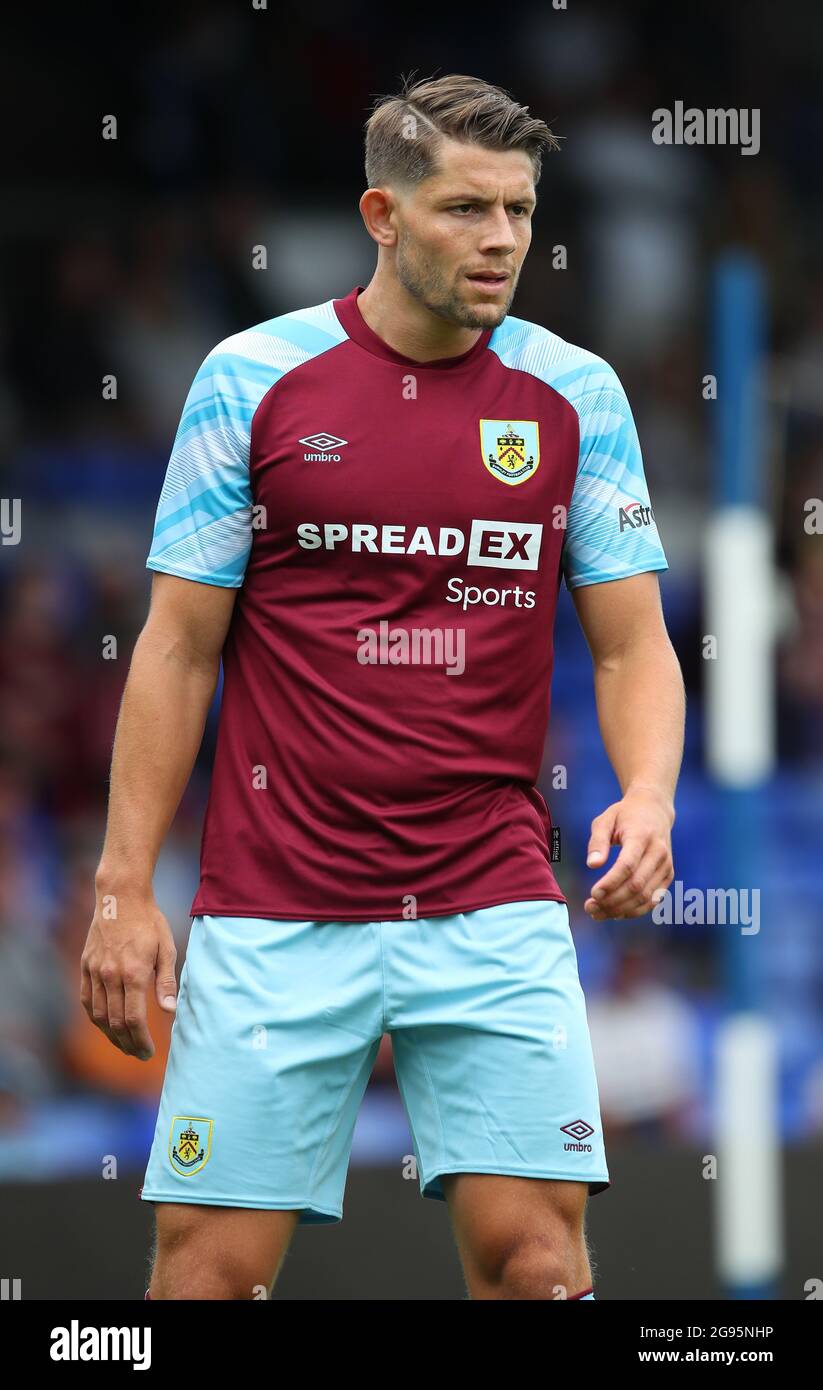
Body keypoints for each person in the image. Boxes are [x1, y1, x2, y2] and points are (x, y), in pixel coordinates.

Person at [82, 72, 684, 1301]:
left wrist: (653, 792)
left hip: (492, 898)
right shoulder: (251, 381)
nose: (503, 240)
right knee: (205, 1278)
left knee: (537, 1264)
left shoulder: (577, 395)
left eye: (519, 211)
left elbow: (630, 645)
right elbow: (177, 645)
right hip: (272, 902)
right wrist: (122, 887)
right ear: (382, 213)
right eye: (467, 209)